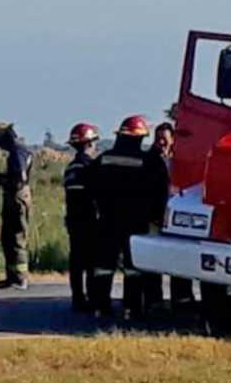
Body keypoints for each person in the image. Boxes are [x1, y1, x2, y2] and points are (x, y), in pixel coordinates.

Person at [88, 116, 169, 319]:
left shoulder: (103, 159)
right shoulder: (151, 162)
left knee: (104, 266)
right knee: (134, 268)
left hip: (108, 220)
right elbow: (161, 192)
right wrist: (157, 217)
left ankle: (101, 306)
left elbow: (89, 188)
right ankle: (131, 308)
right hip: (136, 222)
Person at [150, 122, 195, 310]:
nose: (161, 142)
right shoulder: (149, 162)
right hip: (155, 217)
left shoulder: (181, 162)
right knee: (153, 261)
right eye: (158, 138)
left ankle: (182, 299)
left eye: (165, 139)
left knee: (180, 259)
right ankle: (154, 300)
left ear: (173, 140)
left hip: (177, 219)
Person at [0, 123, 33, 291]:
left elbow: (19, 178)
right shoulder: (18, 150)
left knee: (16, 237)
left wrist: (5, 180)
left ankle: (20, 278)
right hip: (14, 195)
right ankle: (11, 276)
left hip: (17, 195)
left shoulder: (17, 152)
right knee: (8, 237)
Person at [64, 123, 100, 313]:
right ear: (89, 144)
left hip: (73, 220)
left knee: (77, 262)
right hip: (88, 219)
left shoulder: (70, 168)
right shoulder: (90, 167)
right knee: (92, 262)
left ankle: (77, 298)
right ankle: (92, 298)